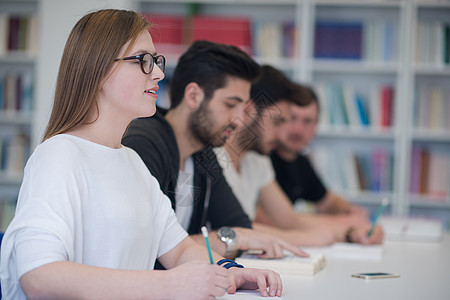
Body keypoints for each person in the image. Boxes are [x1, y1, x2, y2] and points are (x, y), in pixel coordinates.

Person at [0, 10, 282, 299]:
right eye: (143, 61)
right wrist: (169, 285)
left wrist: (232, 274)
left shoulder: (132, 162)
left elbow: (181, 250)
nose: (159, 73)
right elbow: (39, 276)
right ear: (98, 71)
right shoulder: (59, 156)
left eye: (156, 61)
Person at [122, 40, 305, 260]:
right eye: (230, 105)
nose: (238, 121)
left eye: (242, 107)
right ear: (193, 96)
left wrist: (231, 238)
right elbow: (151, 250)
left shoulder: (202, 152)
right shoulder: (143, 144)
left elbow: (241, 227)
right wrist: (231, 239)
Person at [216, 65, 384, 246]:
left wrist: (351, 233)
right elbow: (234, 229)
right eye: (277, 122)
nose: (282, 135)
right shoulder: (214, 159)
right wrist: (309, 238)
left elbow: (288, 219)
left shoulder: (257, 159)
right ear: (249, 111)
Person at [271, 83, 368, 216]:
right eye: (292, 118)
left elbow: (328, 202)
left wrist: (352, 211)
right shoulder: (263, 158)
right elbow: (279, 220)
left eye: (307, 121)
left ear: (316, 125)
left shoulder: (300, 162)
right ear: (278, 118)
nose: (298, 129)